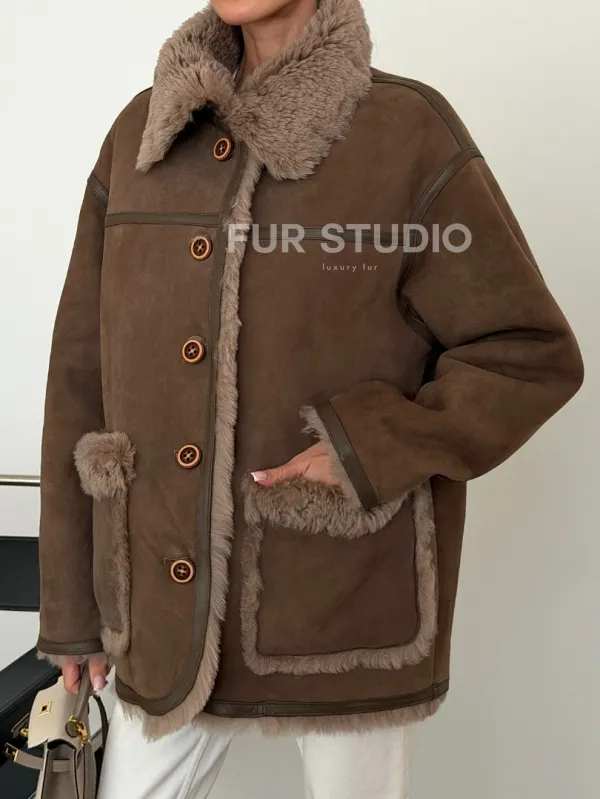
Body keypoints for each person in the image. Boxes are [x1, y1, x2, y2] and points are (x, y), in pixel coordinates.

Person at [34, 0, 584, 796]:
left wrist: (368, 448)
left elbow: (527, 350)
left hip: (345, 601)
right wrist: (71, 610)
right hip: (157, 605)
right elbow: (78, 377)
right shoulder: (140, 136)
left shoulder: (407, 132)